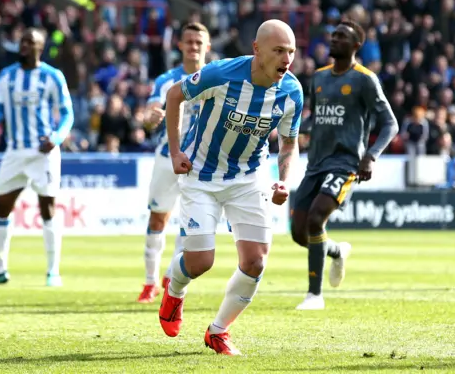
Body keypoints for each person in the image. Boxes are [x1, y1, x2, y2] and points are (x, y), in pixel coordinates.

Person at [158, 19, 303, 356]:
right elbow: (174, 95)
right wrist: (175, 151)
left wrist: (284, 180)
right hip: (201, 176)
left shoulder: (292, 90)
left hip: (249, 177)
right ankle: (175, 290)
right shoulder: (221, 74)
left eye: (291, 52)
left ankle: (218, 331)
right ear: (257, 50)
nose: (286, 59)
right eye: (279, 50)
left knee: (255, 262)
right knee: (200, 262)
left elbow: (288, 142)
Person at [291, 20, 399, 310]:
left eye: (341, 37)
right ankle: (337, 251)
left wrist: (371, 155)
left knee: (316, 219)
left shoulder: (365, 79)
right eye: (333, 35)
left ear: (356, 45)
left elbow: (390, 123)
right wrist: (295, 129)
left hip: (345, 162)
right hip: (315, 163)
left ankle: (314, 295)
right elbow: (319, 118)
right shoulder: (318, 77)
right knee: (299, 233)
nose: (334, 39)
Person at [0, 28, 74, 287]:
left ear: (41, 46)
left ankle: (53, 271)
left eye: (30, 41)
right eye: (22, 41)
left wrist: (57, 138)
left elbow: (67, 114)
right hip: (14, 152)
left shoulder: (52, 76)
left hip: (43, 152)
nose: (24, 45)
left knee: (47, 209)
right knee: (1, 208)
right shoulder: (7, 76)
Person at [137, 22, 211, 303]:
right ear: (179, 45)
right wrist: (148, 120)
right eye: (188, 41)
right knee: (158, 217)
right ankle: (149, 283)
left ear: (207, 46)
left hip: (201, 163)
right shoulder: (166, 80)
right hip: (167, 157)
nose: (193, 47)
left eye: (198, 42)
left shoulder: (216, 77)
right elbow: (149, 114)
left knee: (190, 223)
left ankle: (171, 276)